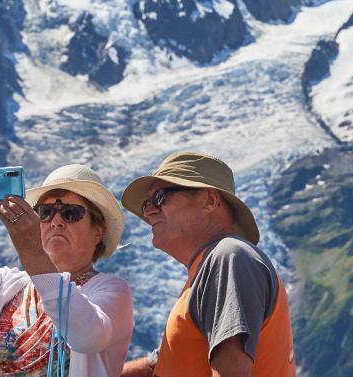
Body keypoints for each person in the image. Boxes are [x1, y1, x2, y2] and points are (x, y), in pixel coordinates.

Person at [0, 162, 134, 377]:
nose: (56, 221)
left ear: (98, 231)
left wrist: (34, 254)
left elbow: (86, 337)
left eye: (71, 213)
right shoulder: (8, 285)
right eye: (46, 212)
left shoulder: (112, 290)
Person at [119, 152, 295, 377]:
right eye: (147, 204)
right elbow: (176, 358)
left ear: (210, 200)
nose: (149, 211)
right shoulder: (215, 264)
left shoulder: (228, 258)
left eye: (160, 198)